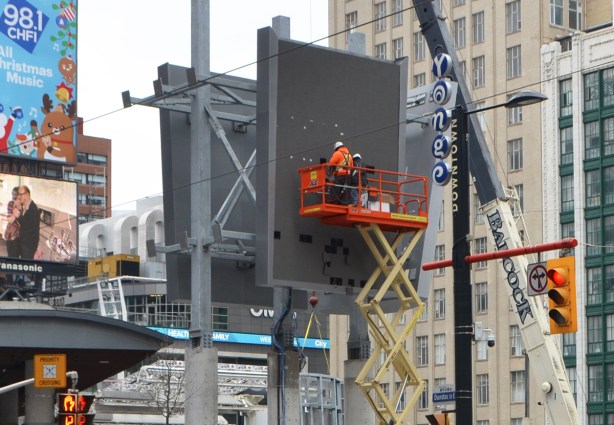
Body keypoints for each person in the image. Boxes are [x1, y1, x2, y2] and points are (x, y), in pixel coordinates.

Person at [6, 185, 40, 260]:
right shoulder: (25, 206)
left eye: (20, 194)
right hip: (21, 242)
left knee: (26, 266)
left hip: (28, 246)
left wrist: (18, 215)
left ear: (27, 195)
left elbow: (28, 227)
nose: (19, 197)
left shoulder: (33, 208)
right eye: (18, 194)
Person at [4, 187, 20, 258]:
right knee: (12, 257)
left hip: (20, 237)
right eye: (13, 194)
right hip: (11, 236)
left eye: (16, 194)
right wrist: (16, 214)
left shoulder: (25, 206)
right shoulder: (11, 203)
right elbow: (10, 220)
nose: (14, 196)